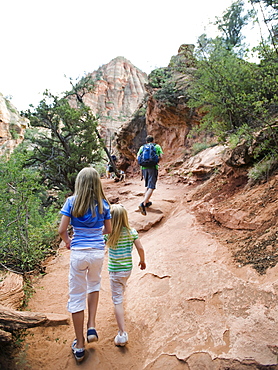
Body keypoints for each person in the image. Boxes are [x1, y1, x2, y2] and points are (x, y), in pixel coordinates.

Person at [58, 167, 112, 362]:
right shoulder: (103, 204)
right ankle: (91, 325)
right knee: (94, 285)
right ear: (97, 183)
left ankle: (80, 345)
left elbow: (62, 229)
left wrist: (68, 241)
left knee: (76, 295)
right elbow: (108, 229)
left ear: (79, 183)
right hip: (97, 253)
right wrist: (95, 235)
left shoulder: (71, 202)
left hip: (79, 254)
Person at [105, 204, 146, 346]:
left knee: (117, 300)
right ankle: (120, 305)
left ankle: (122, 334)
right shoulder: (131, 232)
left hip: (115, 270)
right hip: (127, 270)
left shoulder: (108, 234)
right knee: (121, 290)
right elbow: (140, 248)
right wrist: (142, 261)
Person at [137, 135, 163, 216]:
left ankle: (147, 201)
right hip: (153, 168)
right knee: (151, 186)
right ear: (153, 140)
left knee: (148, 185)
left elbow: (137, 157)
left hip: (144, 168)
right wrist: (156, 161)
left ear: (146, 141)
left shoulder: (142, 147)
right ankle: (143, 204)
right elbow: (161, 156)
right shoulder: (157, 146)